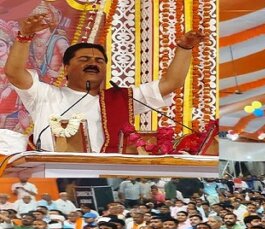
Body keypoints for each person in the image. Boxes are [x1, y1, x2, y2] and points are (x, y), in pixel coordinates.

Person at [6, 15, 204, 152]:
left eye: (99, 61)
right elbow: (14, 73)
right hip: (54, 168)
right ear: (66, 68)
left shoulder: (120, 99)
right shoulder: (45, 95)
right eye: (84, 59)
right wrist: (24, 37)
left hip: (106, 169)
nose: (93, 63)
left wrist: (184, 49)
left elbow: (172, 83)